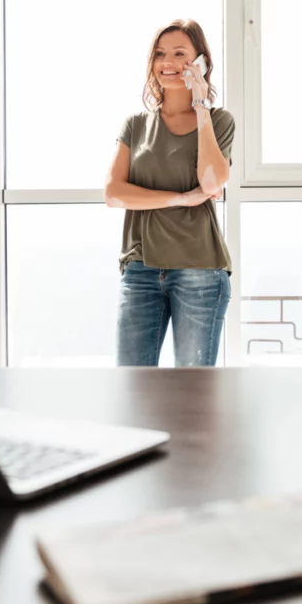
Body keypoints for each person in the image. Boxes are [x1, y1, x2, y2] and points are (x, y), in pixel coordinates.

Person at [105, 19, 236, 367]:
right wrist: (178, 198)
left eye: (180, 54)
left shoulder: (219, 121)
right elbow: (114, 193)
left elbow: (210, 183)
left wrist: (201, 106)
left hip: (200, 271)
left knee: (192, 396)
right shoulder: (136, 125)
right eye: (160, 54)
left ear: (201, 62)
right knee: (133, 388)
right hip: (140, 269)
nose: (168, 62)